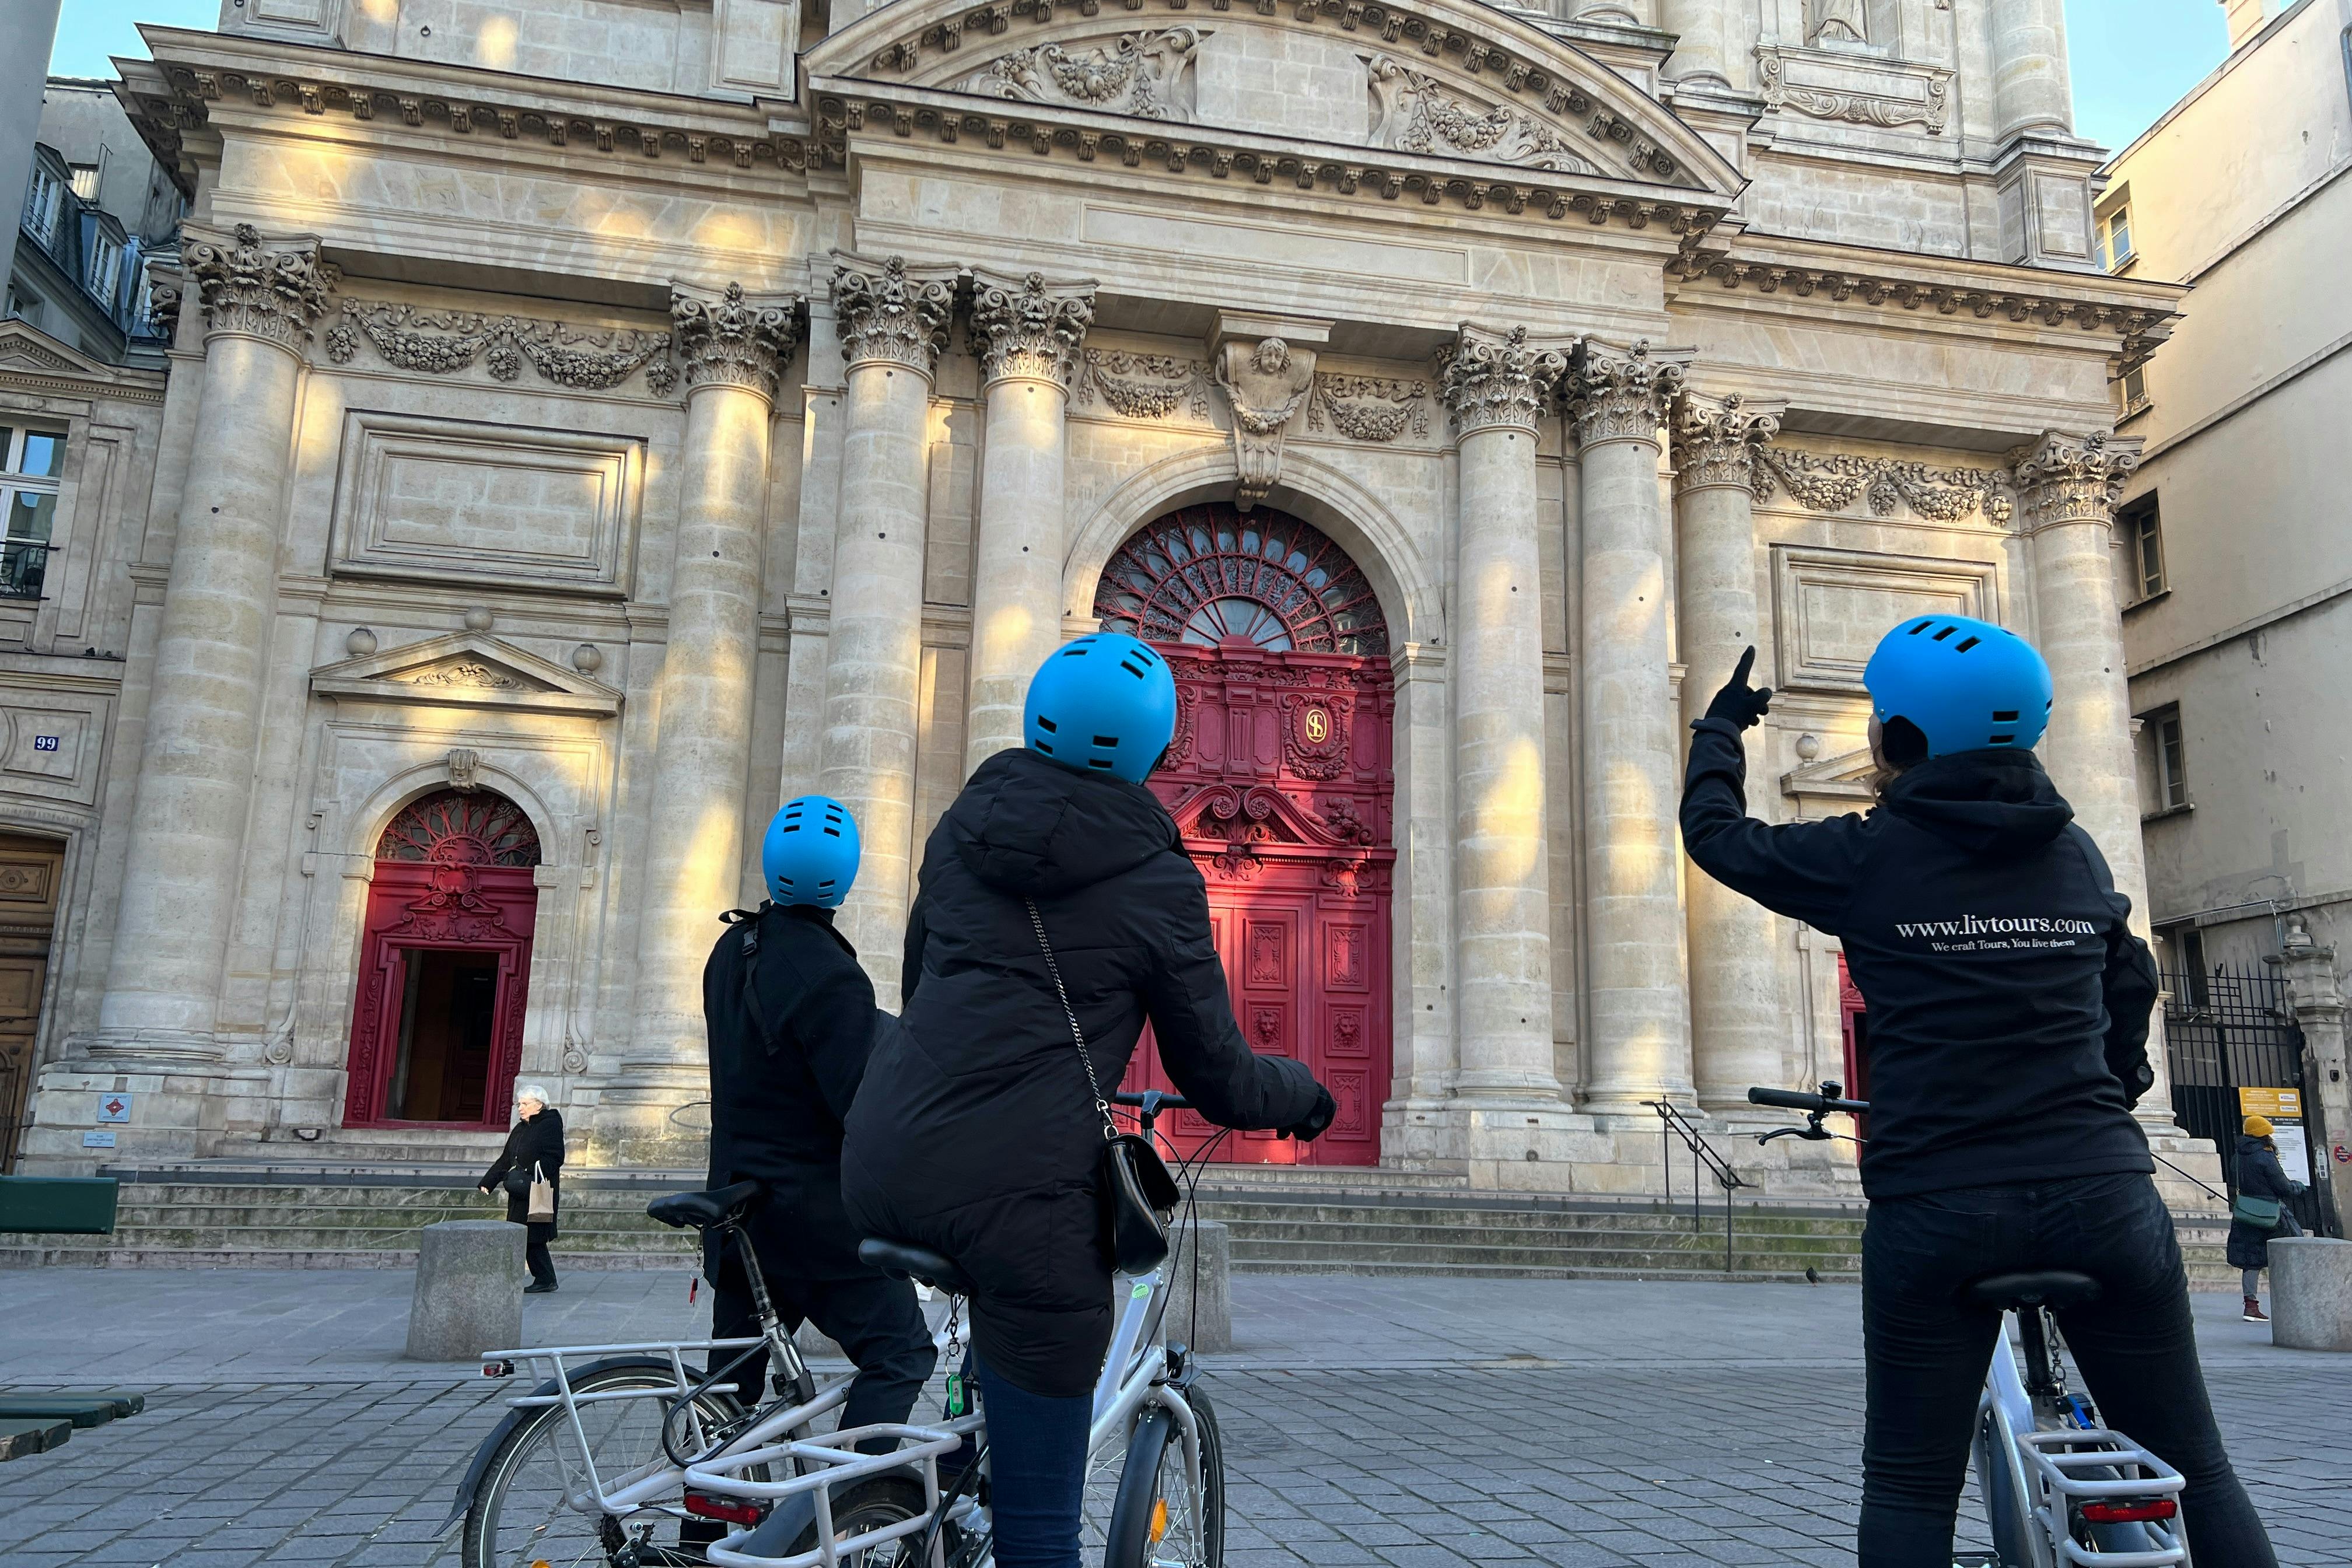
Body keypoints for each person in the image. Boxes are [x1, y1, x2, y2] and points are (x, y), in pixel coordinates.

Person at [1679, 616, 2276, 1568]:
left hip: (1938, 1204)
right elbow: (2128, 980)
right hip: (2102, 1195)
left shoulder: (1866, 853)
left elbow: (1718, 839)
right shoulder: (2073, 852)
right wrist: (2115, 1085)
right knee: (2195, 1467)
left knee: (1910, 1485)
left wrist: (1720, 731)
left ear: (1901, 737)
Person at [842, 632, 1335, 1568]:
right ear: (1154, 750)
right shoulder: (1156, 877)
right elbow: (1219, 1078)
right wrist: (1302, 1095)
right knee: (1042, 1531)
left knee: (989, 1304)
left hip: (880, 1154)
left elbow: (920, 985)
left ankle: (929, 1496)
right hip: (1016, 1197)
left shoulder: (959, 832)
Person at [699, 794, 936, 1448]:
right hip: (814, 1223)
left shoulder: (731, 948)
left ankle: (696, 1541)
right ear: (848, 876)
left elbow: (773, 1054)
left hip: (739, 1211)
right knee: (902, 1353)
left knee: (731, 1400)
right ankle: (847, 1511)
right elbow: (862, 1104)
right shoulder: (832, 973)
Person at [480, 1087, 564, 1294]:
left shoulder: (550, 1124)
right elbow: (506, 1159)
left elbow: (555, 1157)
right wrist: (489, 1182)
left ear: (539, 1105)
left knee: (532, 1237)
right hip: (520, 1192)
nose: (521, 1108)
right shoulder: (520, 1129)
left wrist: (531, 1174)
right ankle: (545, 1279)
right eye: (519, 1104)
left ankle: (544, 1279)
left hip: (537, 1190)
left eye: (525, 1104)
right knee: (522, 1235)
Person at [2228, 1112, 2306, 1323]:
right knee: (2289, 1251)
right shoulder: (2265, 1155)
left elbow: (2232, 1182)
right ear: (2264, 1135)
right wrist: (2298, 1187)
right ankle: (2296, 1301)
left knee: (2251, 1261)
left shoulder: (2238, 1156)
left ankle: (2251, 1307)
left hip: (2246, 1213)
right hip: (2270, 1214)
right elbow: (2283, 1187)